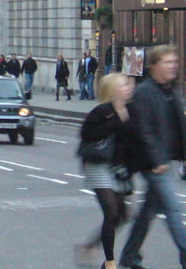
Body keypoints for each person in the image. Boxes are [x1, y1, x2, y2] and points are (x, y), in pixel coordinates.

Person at [119, 45, 186, 269]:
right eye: (167, 62)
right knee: (173, 209)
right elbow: (143, 130)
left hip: (168, 159)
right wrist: (157, 160)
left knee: (148, 212)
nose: (173, 66)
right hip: (153, 163)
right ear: (154, 66)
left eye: (174, 62)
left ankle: (129, 256)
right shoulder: (143, 93)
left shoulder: (172, 90)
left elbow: (179, 125)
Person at [76, 72, 134, 269]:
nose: (128, 88)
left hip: (117, 166)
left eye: (128, 85)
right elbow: (86, 134)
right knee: (111, 211)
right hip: (97, 163)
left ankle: (91, 246)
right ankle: (110, 262)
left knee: (121, 215)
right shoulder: (102, 111)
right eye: (123, 85)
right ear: (113, 90)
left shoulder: (131, 110)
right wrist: (115, 121)